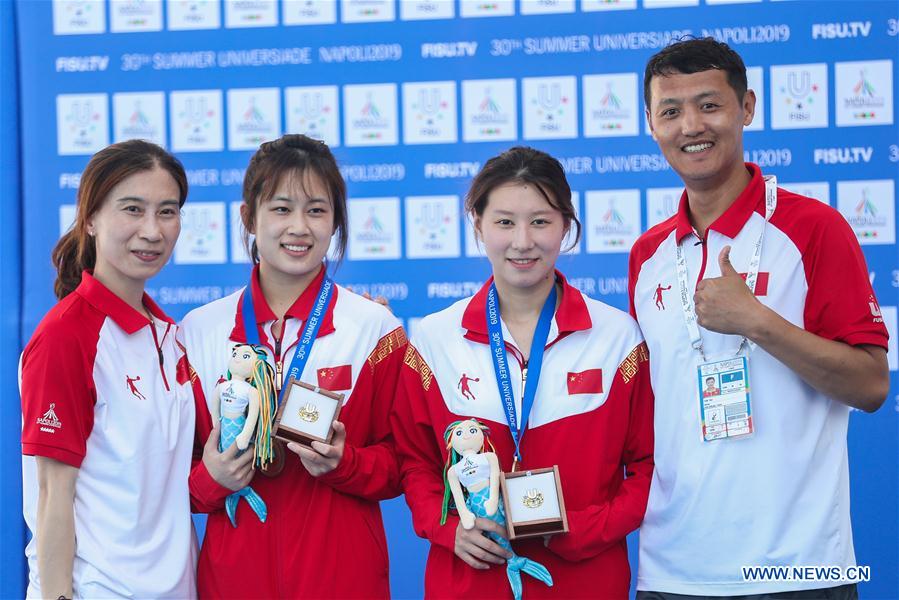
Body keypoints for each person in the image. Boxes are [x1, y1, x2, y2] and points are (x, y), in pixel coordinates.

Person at [630, 37, 890, 599]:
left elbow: (870, 386)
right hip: (674, 569)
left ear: (746, 108)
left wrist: (758, 321)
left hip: (798, 568)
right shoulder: (648, 254)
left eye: (709, 104)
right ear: (651, 124)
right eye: (670, 112)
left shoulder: (813, 229)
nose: (690, 126)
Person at [393, 146, 654, 598]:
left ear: (566, 227)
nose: (522, 241)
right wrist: (447, 529)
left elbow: (650, 467)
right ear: (477, 225)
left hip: (585, 580)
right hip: (469, 580)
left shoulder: (617, 339)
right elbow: (415, 462)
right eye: (504, 222)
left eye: (540, 221)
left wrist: (581, 531)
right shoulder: (436, 339)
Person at [181, 134, 406, 598]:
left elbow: (403, 464)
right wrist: (210, 481)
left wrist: (346, 464)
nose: (299, 227)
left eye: (317, 210)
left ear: (336, 221)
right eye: (281, 209)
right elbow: (169, 476)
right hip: (233, 581)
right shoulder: (199, 331)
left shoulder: (375, 329)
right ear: (248, 217)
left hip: (344, 580)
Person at [19, 140, 198, 599]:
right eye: (132, 209)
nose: (152, 231)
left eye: (167, 211)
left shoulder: (169, 336)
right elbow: (51, 495)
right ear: (91, 218)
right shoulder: (66, 336)